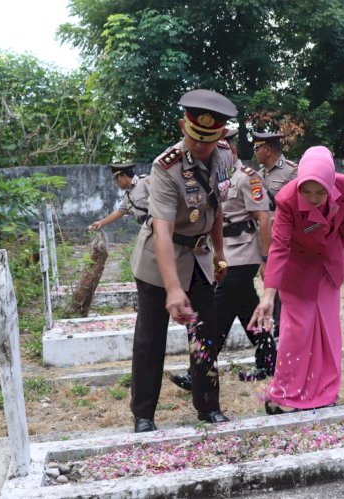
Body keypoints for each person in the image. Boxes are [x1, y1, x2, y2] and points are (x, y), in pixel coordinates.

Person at [128, 89, 236, 433]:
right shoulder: (166, 167)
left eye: (209, 139)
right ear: (182, 126)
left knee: (204, 334)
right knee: (151, 337)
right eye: (194, 138)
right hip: (159, 260)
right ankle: (143, 414)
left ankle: (208, 407)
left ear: (220, 135)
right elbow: (161, 230)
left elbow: (215, 207)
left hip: (199, 256)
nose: (200, 147)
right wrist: (173, 290)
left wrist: (220, 255)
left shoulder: (224, 156)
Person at [169, 129, 276, 392]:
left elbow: (263, 218)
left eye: (219, 149)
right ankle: (271, 360)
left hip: (244, 253)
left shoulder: (247, 178)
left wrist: (266, 259)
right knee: (245, 306)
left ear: (232, 151)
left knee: (217, 313)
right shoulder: (217, 179)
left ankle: (198, 372)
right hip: (225, 253)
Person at [249, 145, 344, 414]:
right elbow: (279, 246)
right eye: (307, 190)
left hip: (328, 266)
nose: (314, 197)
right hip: (296, 267)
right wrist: (269, 295)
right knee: (297, 332)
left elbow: (343, 226)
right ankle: (285, 392)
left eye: (320, 191)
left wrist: (340, 257)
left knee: (327, 331)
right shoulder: (287, 199)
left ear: (331, 182)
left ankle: (324, 390)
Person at [252, 131, 297, 338]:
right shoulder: (258, 174)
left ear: (267, 149)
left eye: (257, 149)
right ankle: (276, 325)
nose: (255, 153)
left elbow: (296, 207)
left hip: (286, 238)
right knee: (269, 281)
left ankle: (283, 327)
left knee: (285, 284)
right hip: (264, 237)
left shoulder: (291, 172)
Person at [88, 163, 150, 231]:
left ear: (123, 176)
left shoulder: (144, 181)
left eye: (117, 179)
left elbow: (161, 200)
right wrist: (101, 222)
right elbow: (119, 212)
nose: (117, 183)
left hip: (156, 223)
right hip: (145, 228)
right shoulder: (128, 195)